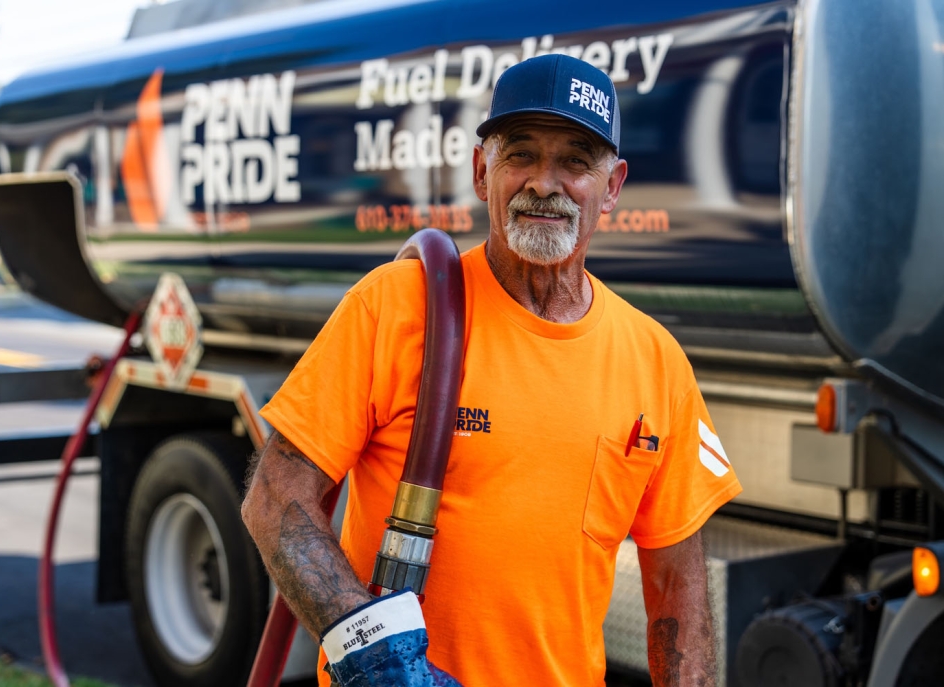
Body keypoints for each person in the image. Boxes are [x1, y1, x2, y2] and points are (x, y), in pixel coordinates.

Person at [242, 53, 742, 686]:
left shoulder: (655, 360)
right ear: (482, 171)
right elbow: (275, 498)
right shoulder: (396, 305)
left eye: (575, 162)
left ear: (613, 186)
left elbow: (678, 588)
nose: (544, 183)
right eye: (522, 154)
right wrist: (374, 656)